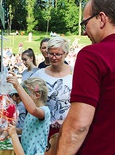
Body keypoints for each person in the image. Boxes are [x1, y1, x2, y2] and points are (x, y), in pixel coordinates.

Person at [55, 0, 115, 154]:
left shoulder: (92, 55)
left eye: (85, 23)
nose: (84, 31)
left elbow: (79, 125)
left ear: (101, 18)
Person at [32, 36, 73, 140]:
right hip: (44, 131)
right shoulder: (39, 75)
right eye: (51, 54)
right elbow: (29, 95)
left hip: (69, 129)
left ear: (66, 54)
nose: (54, 57)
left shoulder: (75, 73)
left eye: (58, 54)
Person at [7, 76, 51, 155]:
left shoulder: (44, 111)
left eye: (26, 93)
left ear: (37, 95)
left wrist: (17, 86)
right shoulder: (30, 112)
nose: (21, 97)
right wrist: (16, 130)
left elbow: (33, 110)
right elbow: (29, 130)